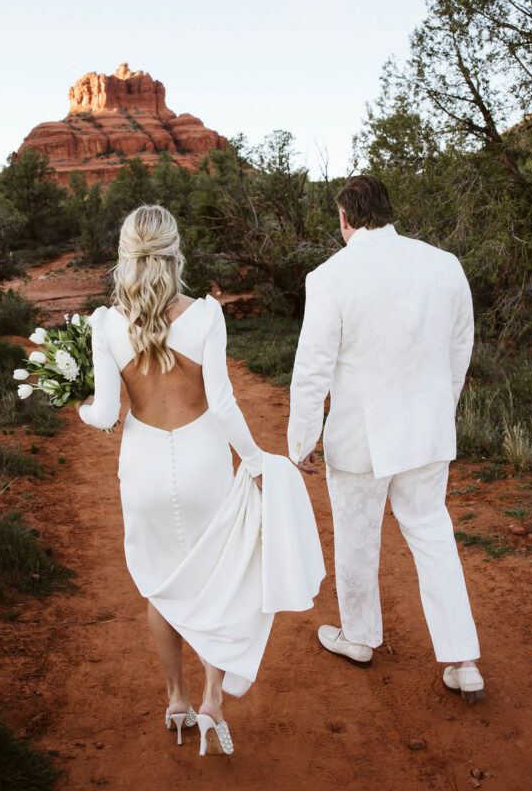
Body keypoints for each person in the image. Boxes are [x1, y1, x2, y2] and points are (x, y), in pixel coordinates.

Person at [79, 205, 324, 756]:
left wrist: (79, 410)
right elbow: (223, 403)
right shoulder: (206, 315)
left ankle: (176, 698)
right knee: (219, 577)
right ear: (174, 250)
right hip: (204, 460)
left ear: (126, 252)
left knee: (162, 587)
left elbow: (105, 414)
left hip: (142, 466)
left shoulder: (106, 323)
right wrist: (259, 461)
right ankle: (214, 698)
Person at [287, 175, 484, 703]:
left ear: (345, 218)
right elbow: (460, 345)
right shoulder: (444, 265)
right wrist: (443, 405)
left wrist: (301, 438)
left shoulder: (331, 276)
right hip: (427, 431)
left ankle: (359, 637)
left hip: (361, 439)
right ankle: (463, 660)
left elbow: (312, 370)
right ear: (387, 211)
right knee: (433, 534)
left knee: (356, 536)